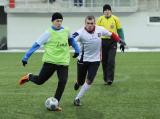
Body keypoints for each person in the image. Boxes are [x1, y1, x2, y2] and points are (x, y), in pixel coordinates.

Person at [19, 12, 80, 111]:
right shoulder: (48, 33)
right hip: (50, 62)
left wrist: (77, 50)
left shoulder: (66, 30)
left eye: (60, 21)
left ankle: (55, 103)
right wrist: (26, 57)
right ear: (52, 21)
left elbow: (71, 40)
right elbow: (36, 45)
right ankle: (29, 76)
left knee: (62, 82)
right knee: (40, 81)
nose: (59, 23)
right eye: (57, 21)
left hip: (63, 62)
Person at [72, 15, 125, 106]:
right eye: (88, 23)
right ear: (85, 23)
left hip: (95, 61)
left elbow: (111, 34)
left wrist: (120, 41)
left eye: (91, 23)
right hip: (82, 60)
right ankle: (78, 82)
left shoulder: (100, 29)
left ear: (94, 23)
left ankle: (77, 98)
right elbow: (71, 39)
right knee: (81, 81)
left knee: (90, 80)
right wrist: (76, 50)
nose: (90, 25)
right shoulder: (80, 32)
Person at [96, 4, 126, 85]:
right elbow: (96, 32)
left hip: (112, 41)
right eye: (105, 10)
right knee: (104, 61)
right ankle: (106, 79)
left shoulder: (115, 19)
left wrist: (122, 42)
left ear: (111, 11)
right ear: (103, 12)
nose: (107, 11)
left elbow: (120, 31)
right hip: (102, 42)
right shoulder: (99, 20)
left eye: (108, 10)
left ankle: (110, 79)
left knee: (111, 60)